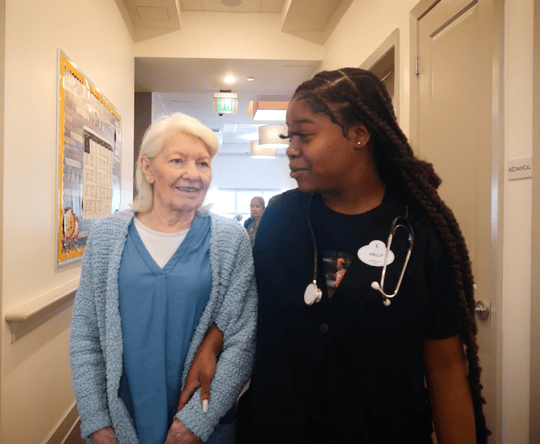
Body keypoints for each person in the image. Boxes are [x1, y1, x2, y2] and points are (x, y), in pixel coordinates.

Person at [232, 68, 489, 443]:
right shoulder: (280, 218)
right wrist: (214, 341)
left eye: (304, 134)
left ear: (359, 134)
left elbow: (446, 367)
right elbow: (245, 314)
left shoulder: (421, 232)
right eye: (290, 136)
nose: (291, 147)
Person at [70, 112, 257, 444]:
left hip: (204, 421)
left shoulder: (230, 240)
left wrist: (195, 424)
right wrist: (97, 422)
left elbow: (242, 339)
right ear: (147, 168)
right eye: (177, 160)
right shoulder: (107, 237)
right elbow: (86, 338)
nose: (193, 175)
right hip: (122, 417)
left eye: (203, 163)